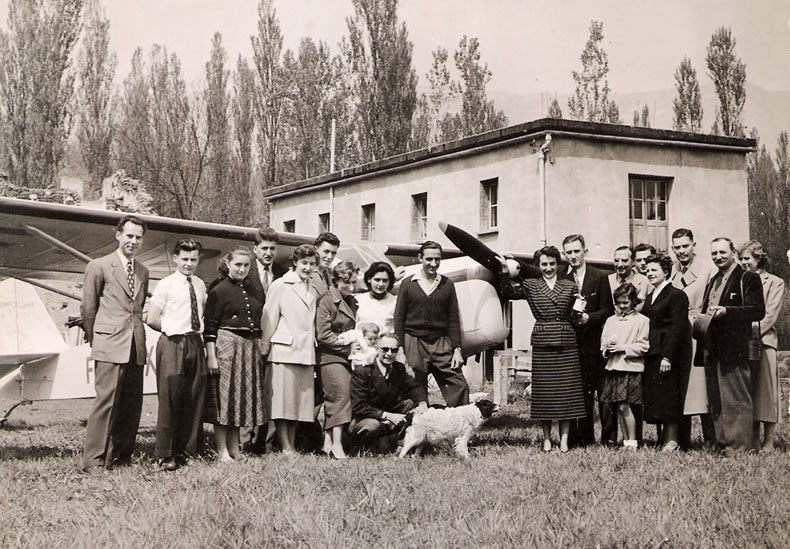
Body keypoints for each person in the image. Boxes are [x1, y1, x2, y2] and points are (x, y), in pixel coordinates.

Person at [497, 246, 587, 452]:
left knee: (567, 393)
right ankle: (547, 439)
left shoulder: (569, 284)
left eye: (552, 264)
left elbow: (575, 314)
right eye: (544, 264)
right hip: (543, 340)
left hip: (566, 341)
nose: (548, 268)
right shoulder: (530, 284)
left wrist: (580, 312)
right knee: (544, 394)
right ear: (538, 266)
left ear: (558, 264)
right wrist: (503, 269)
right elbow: (507, 292)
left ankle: (564, 441)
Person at [80, 215, 149, 473]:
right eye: (129, 235)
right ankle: (94, 461)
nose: (133, 241)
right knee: (106, 402)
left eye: (138, 237)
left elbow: (137, 309)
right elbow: (88, 307)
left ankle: (120, 457)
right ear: (118, 235)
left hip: (135, 345)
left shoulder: (143, 271)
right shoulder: (98, 266)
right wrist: (97, 339)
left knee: (131, 403)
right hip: (109, 343)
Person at [146, 239, 208, 471]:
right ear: (175, 259)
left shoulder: (200, 285)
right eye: (185, 259)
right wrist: (171, 328)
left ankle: (189, 451)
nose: (189, 264)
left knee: (194, 397)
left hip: (194, 341)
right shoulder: (166, 284)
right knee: (170, 397)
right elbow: (152, 318)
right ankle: (166, 454)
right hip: (172, 341)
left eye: (193, 259)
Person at [698, 238, 765, 450]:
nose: (718, 257)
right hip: (713, 347)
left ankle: (739, 446)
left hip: (735, 346)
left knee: (736, 397)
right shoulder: (714, 280)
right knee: (717, 398)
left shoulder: (748, 278)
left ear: (733, 252)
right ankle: (722, 442)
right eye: (714, 253)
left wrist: (728, 311)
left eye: (722, 252)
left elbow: (757, 311)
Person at [203, 247, 266, 462]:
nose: (242, 269)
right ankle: (221, 451)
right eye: (238, 264)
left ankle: (235, 448)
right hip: (226, 344)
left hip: (249, 345)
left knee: (239, 398)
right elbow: (210, 327)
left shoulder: (253, 289)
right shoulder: (218, 290)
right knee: (225, 399)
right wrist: (211, 356)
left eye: (246, 265)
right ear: (228, 264)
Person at [394, 241, 469, 407]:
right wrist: (400, 349)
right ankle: (419, 427)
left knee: (459, 384)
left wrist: (457, 349)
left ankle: (459, 425)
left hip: (440, 342)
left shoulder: (447, 284)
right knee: (415, 385)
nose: (433, 264)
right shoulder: (408, 284)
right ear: (420, 258)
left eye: (437, 259)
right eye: (429, 259)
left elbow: (453, 319)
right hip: (414, 341)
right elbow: (399, 319)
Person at [261, 244, 320, 454]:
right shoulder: (281, 284)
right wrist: (264, 347)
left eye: (312, 264)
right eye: (304, 263)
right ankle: (285, 446)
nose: (308, 267)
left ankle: (291, 445)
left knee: (298, 404)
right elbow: (269, 318)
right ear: (295, 262)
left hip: (305, 352)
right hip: (283, 351)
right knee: (281, 404)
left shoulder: (313, 287)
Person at [561, 234, 615, 446]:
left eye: (577, 251)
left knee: (603, 392)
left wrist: (588, 318)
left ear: (585, 251)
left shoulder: (600, 276)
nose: (573, 256)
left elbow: (608, 310)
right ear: (564, 254)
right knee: (580, 393)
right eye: (569, 252)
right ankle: (584, 438)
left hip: (595, 344)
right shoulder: (562, 278)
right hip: (572, 345)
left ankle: (609, 438)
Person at [670, 228, 716, 448]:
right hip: (679, 333)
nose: (681, 251)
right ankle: (683, 439)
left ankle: (710, 439)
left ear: (694, 245)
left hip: (701, 331)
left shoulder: (708, 268)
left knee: (702, 386)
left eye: (685, 246)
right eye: (677, 247)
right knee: (682, 385)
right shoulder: (672, 271)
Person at [738, 240, 785, 451]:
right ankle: (753, 440)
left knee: (766, 392)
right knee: (750, 392)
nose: (743, 262)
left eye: (747, 258)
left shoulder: (774, 282)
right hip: (742, 343)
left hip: (764, 341)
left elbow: (770, 316)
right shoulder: (740, 281)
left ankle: (769, 442)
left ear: (759, 259)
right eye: (740, 259)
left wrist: (748, 331)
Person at [642, 253, 692, 452]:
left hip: (667, 354)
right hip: (653, 351)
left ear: (666, 271)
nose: (649, 273)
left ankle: (672, 440)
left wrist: (667, 356)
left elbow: (678, 328)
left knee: (670, 396)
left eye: (654, 270)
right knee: (659, 396)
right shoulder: (650, 295)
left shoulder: (677, 295)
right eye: (647, 270)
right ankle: (662, 438)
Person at [245, 227, 286, 454]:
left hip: (277, 341)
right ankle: (246, 442)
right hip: (251, 338)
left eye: (272, 248)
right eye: (264, 248)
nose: (268, 253)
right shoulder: (245, 270)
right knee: (250, 390)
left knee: (271, 392)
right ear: (255, 250)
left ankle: (267, 443)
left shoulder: (283, 273)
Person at [350, 333, 427, 450]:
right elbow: (359, 406)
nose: (389, 354)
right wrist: (387, 416)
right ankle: (363, 446)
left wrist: (422, 403)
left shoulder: (398, 368)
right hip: (366, 418)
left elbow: (414, 387)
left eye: (394, 350)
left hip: (390, 413)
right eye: (385, 349)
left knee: (410, 404)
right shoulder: (363, 371)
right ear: (376, 349)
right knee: (372, 426)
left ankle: (394, 441)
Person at [315, 260, 360, 459]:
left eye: (353, 283)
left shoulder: (351, 300)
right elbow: (323, 335)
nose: (351, 287)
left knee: (340, 398)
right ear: (335, 280)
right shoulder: (326, 301)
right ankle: (337, 445)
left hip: (345, 356)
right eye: (346, 283)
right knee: (340, 397)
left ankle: (327, 443)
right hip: (330, 356)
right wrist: (346, 346)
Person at [600, 284, 650, 451]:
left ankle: (632, 441)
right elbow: (603, 344)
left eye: (625, 303)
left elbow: (644, 346)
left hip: (631, 368)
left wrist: (622, 348)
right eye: (619, 303)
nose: (622, 306)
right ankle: (626, 440)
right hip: (613, 367)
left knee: (625, 406)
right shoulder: (610, 320)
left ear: (633, 301)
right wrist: (608, 348)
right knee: (618, 407)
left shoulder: (642, 321)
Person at [602, 246, 650, 310]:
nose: (619, 265)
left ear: (633, 262)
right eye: (616, 260)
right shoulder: (606, 280)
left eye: (624, 260)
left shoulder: (645, 282)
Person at [355, 261, 398, 333]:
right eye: (377, 280)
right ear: (369, 279)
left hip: (385, 343)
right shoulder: (357, 300)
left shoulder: (395, 302)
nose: (381, 284)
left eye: (385, 280)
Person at [311, 232, 340, 297]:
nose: (330, 257)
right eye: (326, 252)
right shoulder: (307, 274)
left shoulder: (330, 273)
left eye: (333, 253)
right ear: (315, 250)